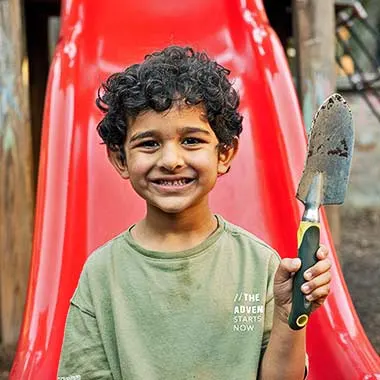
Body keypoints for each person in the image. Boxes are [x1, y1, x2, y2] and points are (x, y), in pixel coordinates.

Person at [58, 46, 331, 380]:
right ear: (120, 159)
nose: (171, 160)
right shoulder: (101, 274)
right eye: (148, 143)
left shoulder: (260, 266)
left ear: (225, 153)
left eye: (191, 141)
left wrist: (288, 315)